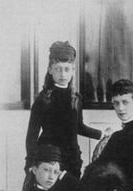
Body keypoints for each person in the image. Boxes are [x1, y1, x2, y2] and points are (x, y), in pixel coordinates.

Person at [25, 41, 110, 178]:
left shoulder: (76, 99)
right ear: (50, 69)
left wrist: (101, 134)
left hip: (71, 158)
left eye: (67, 69)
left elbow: (79, 127)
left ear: (72, 71)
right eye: (58, 69)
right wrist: (30, 163)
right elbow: (31, 136)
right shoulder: (42, 100)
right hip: (48, 158)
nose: (63, 74)